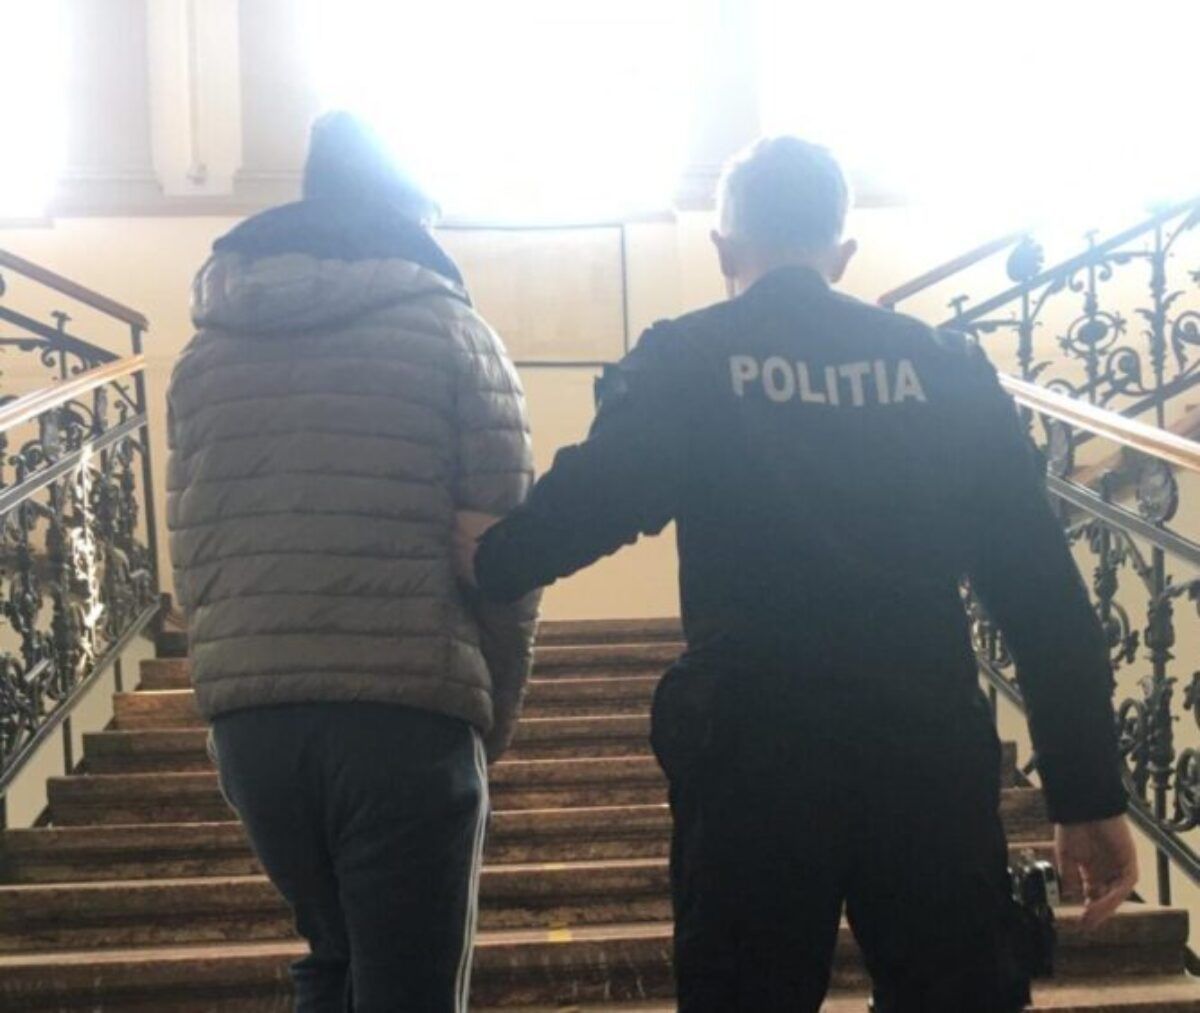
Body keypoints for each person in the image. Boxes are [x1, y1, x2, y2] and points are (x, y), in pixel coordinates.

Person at [458, 137, 1137, 1012]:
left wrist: (492, 558)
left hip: (752, 751)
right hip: (925, 748)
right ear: (841, 253)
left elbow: (594, 499)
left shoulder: (689, 356)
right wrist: (1086, 790)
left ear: (724, 247)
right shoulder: (945, 369)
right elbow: (1041, 595)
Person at [167, 111, 540, 1012]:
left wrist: (226, 688)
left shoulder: (203, 354)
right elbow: (504, 555)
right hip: (405, 715)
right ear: (408, 213)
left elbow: (193, 547)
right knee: (410, 989)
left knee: (335, 957)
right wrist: (490, 716)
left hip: (255, 725)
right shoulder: (454, 334)